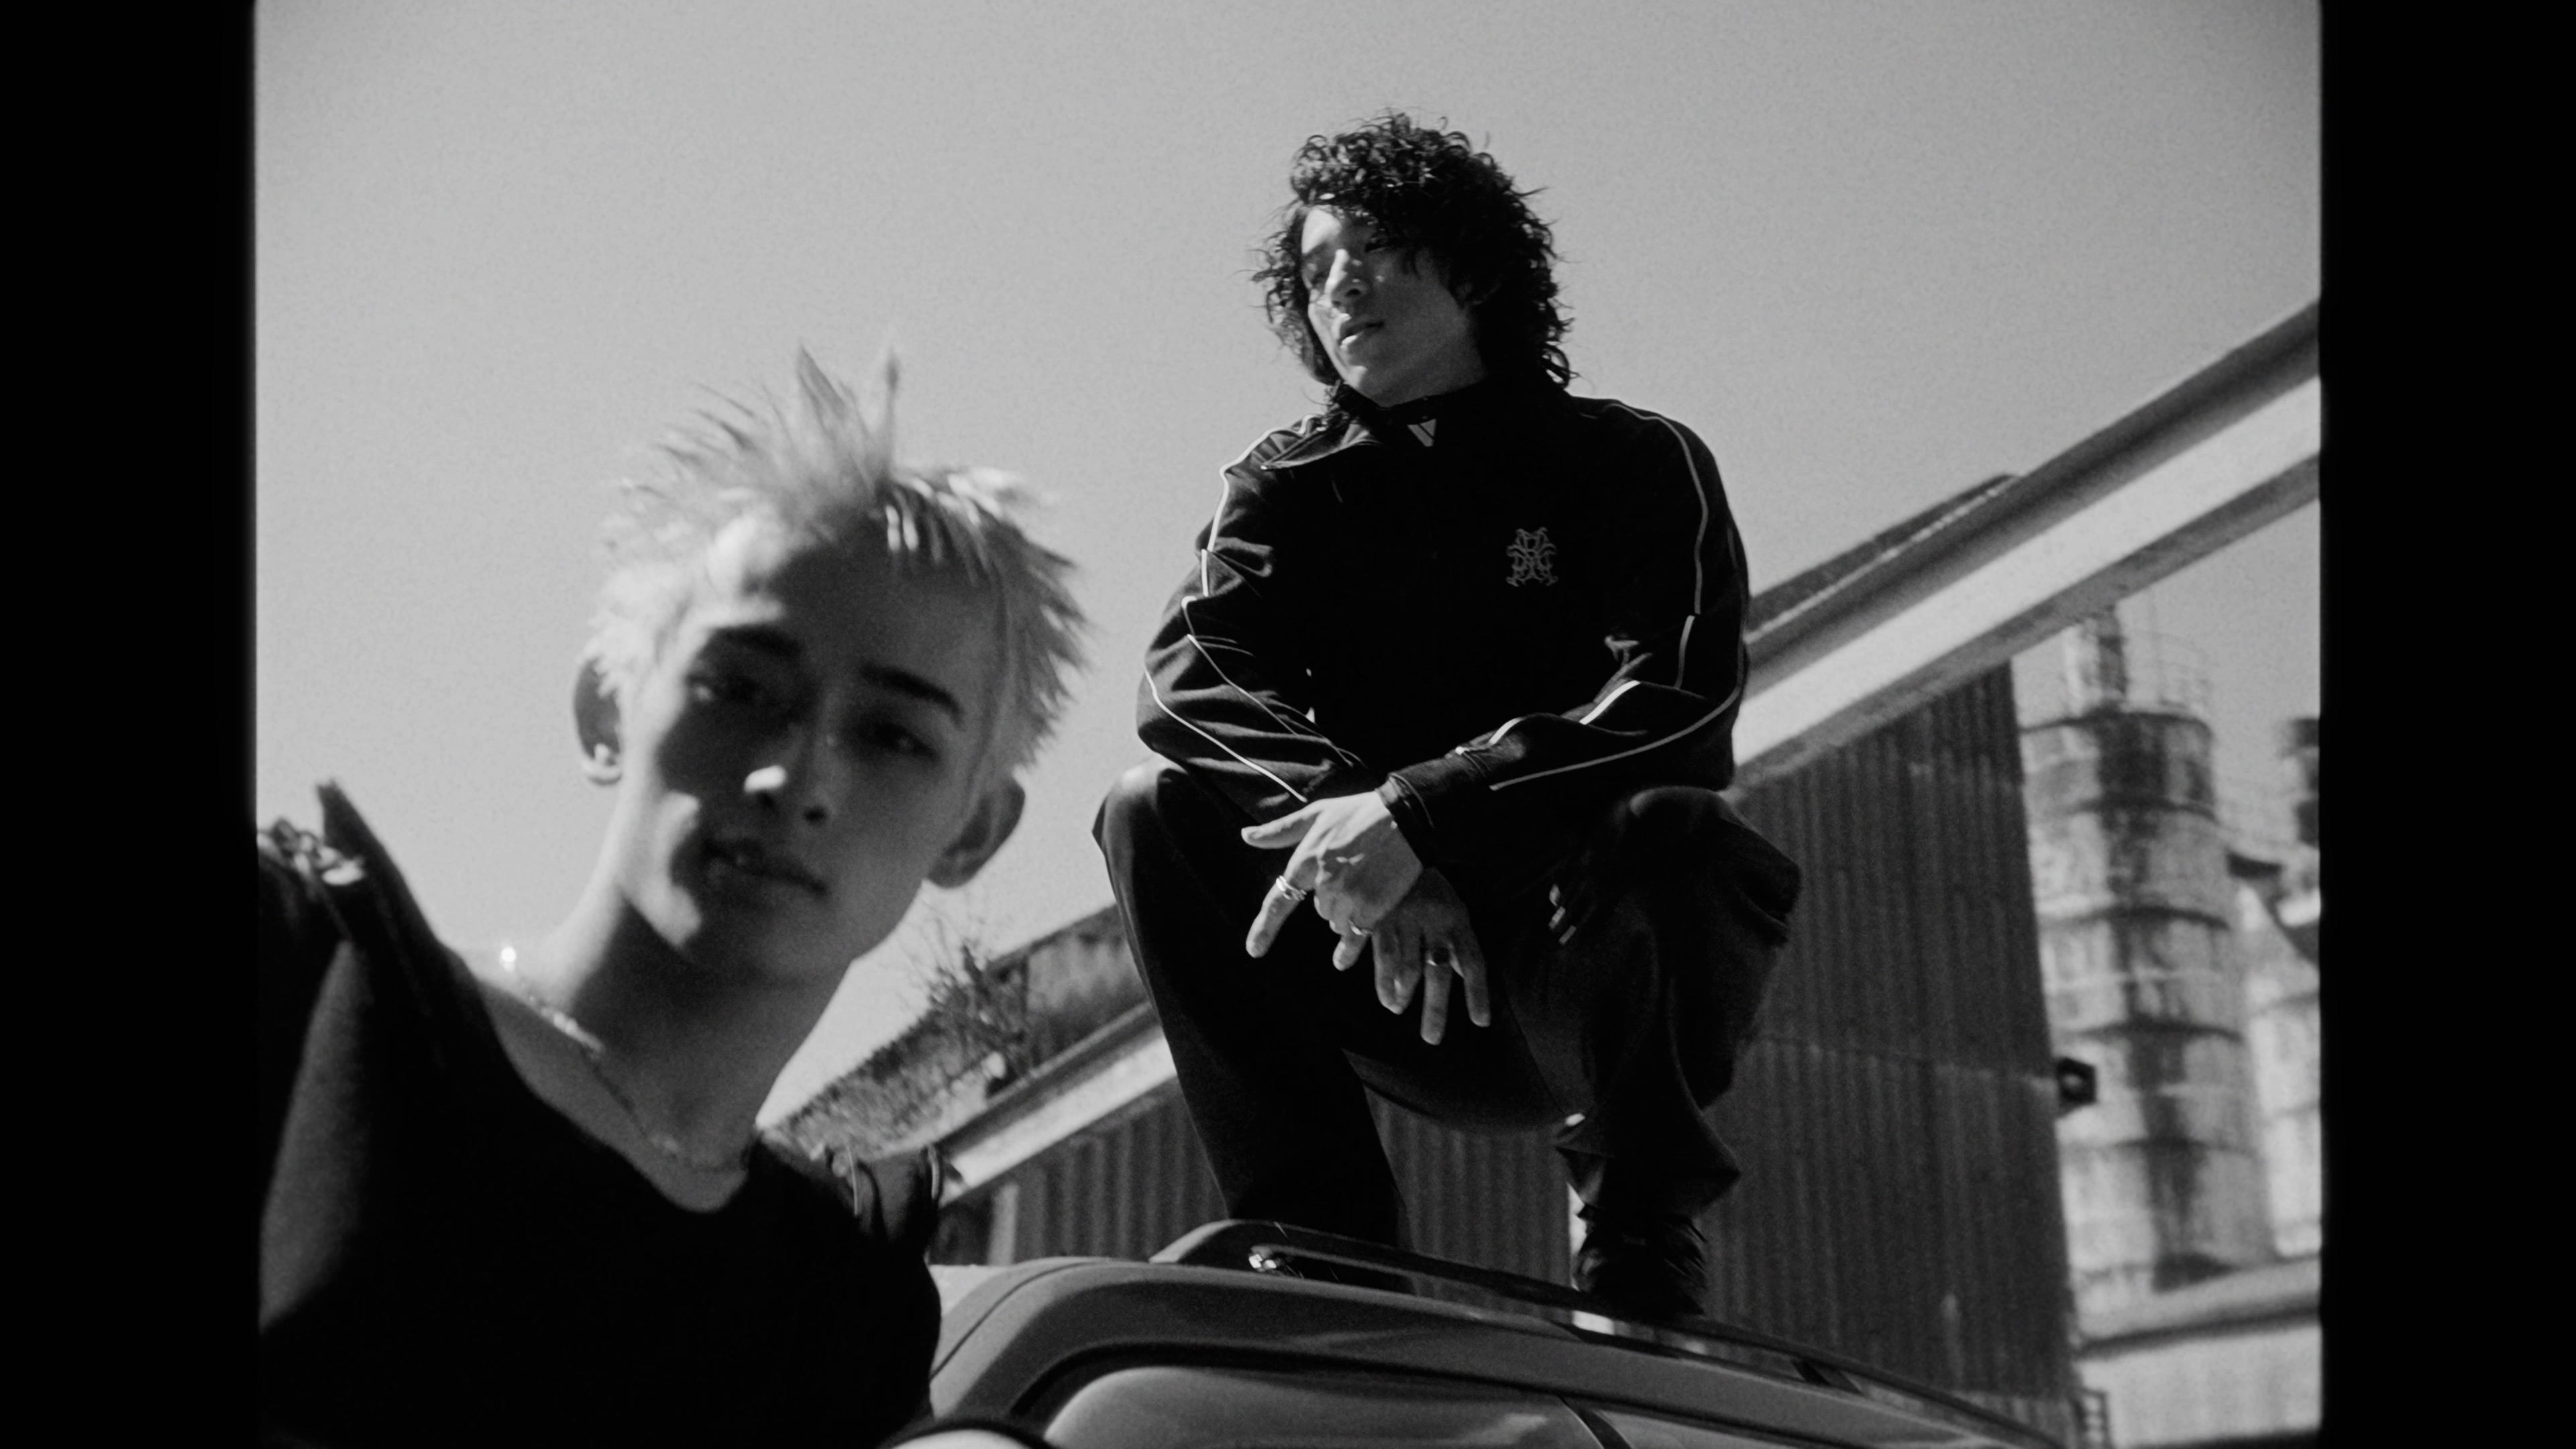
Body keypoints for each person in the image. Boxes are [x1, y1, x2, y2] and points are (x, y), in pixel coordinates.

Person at [258, 353, 1086, 1446]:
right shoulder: (306, 985)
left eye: (893, 736)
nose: (797, 777)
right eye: (739, 686)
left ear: (973, 831)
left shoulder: (845, 1314)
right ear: (608, 709)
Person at [1095, 114, 1803, 1322]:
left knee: (1681, 829)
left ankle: (1638, 1235)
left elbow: (1679, 703)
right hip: (1376, 962)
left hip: (1568, 964)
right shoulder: (1286, 484)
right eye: (1314, 270)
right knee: (1149, 809)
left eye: (1375, 249)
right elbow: (1187, 675)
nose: (1339, 286)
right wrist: (1356, 828)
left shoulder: (1632, 460)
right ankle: (1325, 1244)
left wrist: (1425, 812)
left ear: (1473, 269)